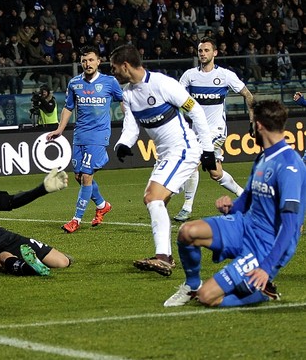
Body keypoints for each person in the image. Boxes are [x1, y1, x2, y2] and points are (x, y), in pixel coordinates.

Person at [164, 100, 305, 307]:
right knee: (187, 232)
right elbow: (248, 197)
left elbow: (291, 225)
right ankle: (191, 285)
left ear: (258, 125)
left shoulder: (290, 165)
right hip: (244, 226)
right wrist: (231, 207)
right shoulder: (263, 157)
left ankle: (263, 292)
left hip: (265, 245)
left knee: (207, 297)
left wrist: (266, 267)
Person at [110, 44, 216, 276]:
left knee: (152, 197)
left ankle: (163, 258)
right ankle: (165, 256)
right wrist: (123, 144)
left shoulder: (163, 83)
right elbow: (131, 127)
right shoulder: (127, 94)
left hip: (183, 149)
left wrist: (207, 150)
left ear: (125, 66)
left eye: (114, 68)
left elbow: (195, 110)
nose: (113, 72)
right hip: (166, 155)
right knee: (157, 202)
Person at [174, 38, 255, 222]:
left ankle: (187, 207)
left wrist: (252, 120)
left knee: (193, 160)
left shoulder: (226, 75)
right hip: (196, 131)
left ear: (215, 53)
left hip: (217, 130)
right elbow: (176, 97)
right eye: (200, 50)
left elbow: (248, 95)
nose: (202, 53)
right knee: (215, 172)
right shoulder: (189, 76)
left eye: (206, 50)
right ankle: (245, 196)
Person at [46, 47, 123, 233]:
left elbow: (123, 101)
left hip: (98, 135)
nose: (87, 64)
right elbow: (68, 108)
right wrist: (60, 129)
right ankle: (103, 205)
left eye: (90, 60)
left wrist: (129, 127)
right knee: (79, 177)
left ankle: (76, 220)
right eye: (84, 61)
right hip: (80, 134)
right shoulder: (75, 83)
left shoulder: (109, 82)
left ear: (98, 61)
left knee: (87, 176)